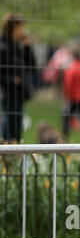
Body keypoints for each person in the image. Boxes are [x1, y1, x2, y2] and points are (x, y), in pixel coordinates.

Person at [0, 12, 37, 143]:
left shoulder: (18, 47)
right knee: (10, 126)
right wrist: (12, 80)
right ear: (13, 28)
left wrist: (27, 47)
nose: (23, 31)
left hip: (19, 94)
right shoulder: (3, 47)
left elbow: (32, 66)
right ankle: (7, 153)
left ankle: (12, 154)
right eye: (21, 27)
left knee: (16, 125)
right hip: (9, 94)